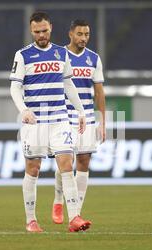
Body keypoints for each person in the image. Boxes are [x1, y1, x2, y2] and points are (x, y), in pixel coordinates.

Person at [9, 11, 92, 233]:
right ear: (31, 31)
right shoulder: (23, 55)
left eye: (44, 30)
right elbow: (15, 87)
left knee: (66, 163)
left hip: (59, 119)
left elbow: (68, 84)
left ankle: (74, 217)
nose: (41, 35)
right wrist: (24, 110)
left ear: (51, 28)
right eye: (37, 31)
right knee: (33, 168)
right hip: (35, 122)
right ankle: (31, 220)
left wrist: (81, 111)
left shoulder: (60, 53)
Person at [52, 19, 106, 225]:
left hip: (87, 117)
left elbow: (99, 91)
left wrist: (102, 120)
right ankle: (58, 201)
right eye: (80, 34)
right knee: (65, 163)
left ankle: (76, 213)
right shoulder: (59, 55)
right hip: (64, 115)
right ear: (70, 34)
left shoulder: (93, 58)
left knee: (84, 162)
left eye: (87, 35)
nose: (84, 38)